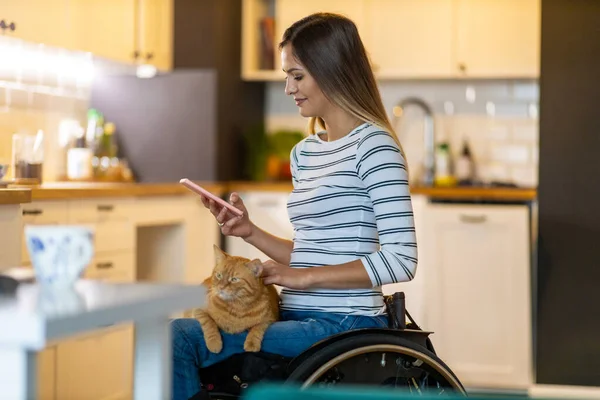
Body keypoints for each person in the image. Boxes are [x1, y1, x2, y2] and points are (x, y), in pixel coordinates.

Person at [171, 12, 417, 400]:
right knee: (195, 329)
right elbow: (311, 252)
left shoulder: (375, 147)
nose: (288, 88)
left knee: (181, 339)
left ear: (332, 71)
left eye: (297, 76)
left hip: (342, 324)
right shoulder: (304, 153)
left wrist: (301, 278)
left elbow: (402, 259)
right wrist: (249, 232)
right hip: (291, 315)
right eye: (287, 76)